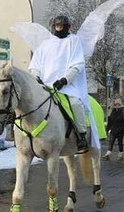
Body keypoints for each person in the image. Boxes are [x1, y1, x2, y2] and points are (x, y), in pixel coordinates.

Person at [28, 15, 91, 152]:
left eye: (61, 26)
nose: (59, 29)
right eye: (57, 26)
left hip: (66, 86)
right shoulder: (46, 44)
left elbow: (77, 64)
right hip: (45, 86)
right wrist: (36, 76)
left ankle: (81, 135)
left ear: (67, 27)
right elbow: (35, 64)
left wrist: (65, 80)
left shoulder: (74, 41)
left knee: (75, 104)